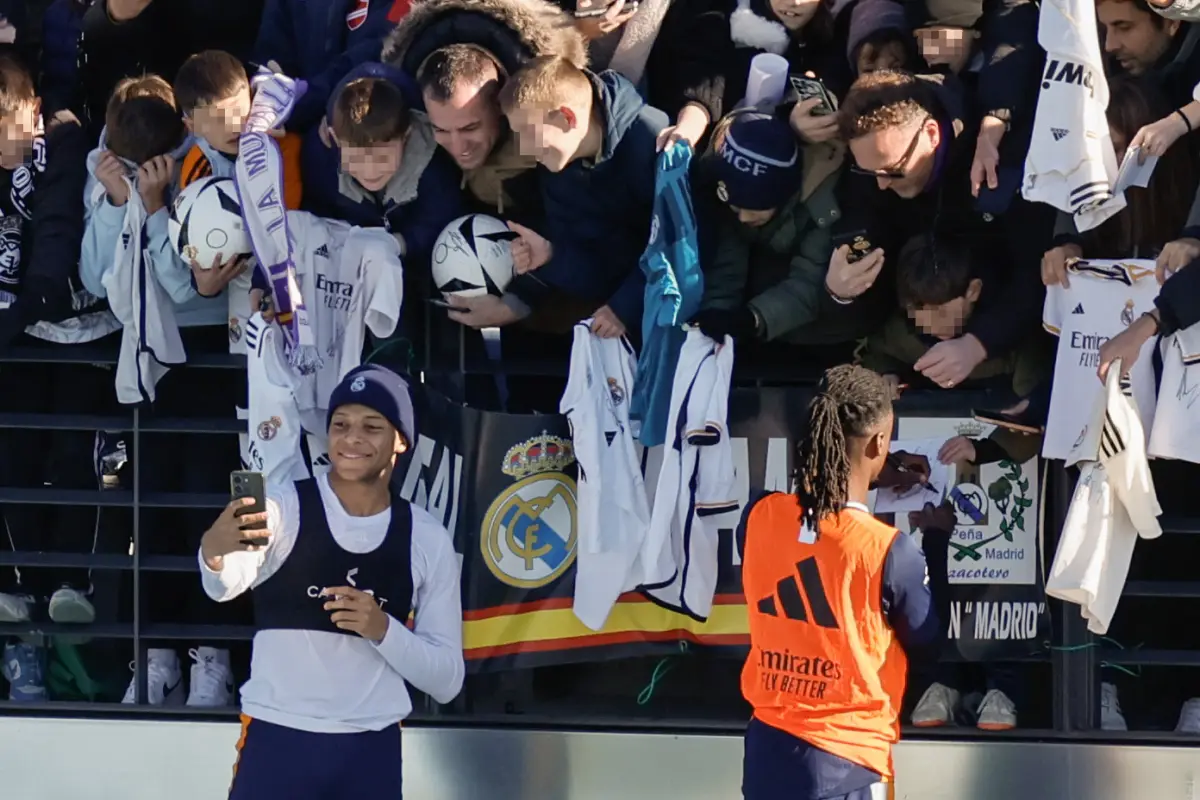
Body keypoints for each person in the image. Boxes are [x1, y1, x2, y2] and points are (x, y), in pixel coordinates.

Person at [201, 364, 464, 798]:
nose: (352, 438)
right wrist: (213, 550)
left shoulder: (426, 537)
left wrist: (382, 629)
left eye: (371, 426)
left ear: (401, 440)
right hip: (277, 736)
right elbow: (226, 584)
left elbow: (447, 680)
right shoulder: (285, 507)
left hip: (371, 746)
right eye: (340, 424)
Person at [739, 364, 946, 800]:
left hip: (767, 751)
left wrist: (869, 472)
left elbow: (813, 524)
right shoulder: (890, 550)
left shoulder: (758, 515)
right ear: (879, 443)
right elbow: (927, 637)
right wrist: (938, 543)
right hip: (848, 759)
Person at [835, 69, 1052, 391]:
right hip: (910, 338)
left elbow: (1036, 270)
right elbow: (860, 244)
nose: (880, 185)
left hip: (1010, 339)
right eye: (869, 173)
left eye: (893, 171)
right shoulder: (872, 169)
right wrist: (840, 292)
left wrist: (980, 343)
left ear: (932, 135)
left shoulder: (999, 155)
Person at [452, 54, 665, 337]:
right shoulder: (558, 171)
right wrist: (550, 255)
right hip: (626, 318)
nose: (525, 150)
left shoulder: (652, 140)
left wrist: (626, 306)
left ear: (567, 117)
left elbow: (685, 240)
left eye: (528, 133)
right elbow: (599, 269)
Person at [691, 107, 876, 358]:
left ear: (782, 196)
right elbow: (728, 255)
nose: (743, 217)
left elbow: (808, 282)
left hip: (810, 317)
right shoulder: (727, 176)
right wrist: (714, 315)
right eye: (736, 208)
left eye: (756, 210)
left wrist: (751, 319)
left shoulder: (826, 203)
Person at [861, 233, 1050, 399]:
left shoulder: (1016, 340)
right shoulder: (899, 333)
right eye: (916, 312)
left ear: (973, 291)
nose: (931, 326)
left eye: (939, 312)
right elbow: (879, 353)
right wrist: (887, 374)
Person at [310, 66, 463, 269]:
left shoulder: (432, 167)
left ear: (406, 137)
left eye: (382, 157)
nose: (370, 171)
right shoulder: (320, 159)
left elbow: (439, 220)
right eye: (356, 158)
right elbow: (312, 211)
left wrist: (399, 243)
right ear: (335, 138)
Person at [173, 49, 303, 210]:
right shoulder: (198, 169)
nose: (235, 127)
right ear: (193, 127)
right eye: (219, 120)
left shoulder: (281, 144)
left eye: (240, 112)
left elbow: (285, 212)